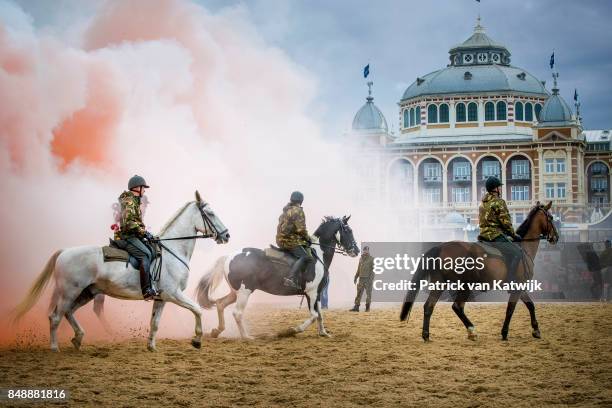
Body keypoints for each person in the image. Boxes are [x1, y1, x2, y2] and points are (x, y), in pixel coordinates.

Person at [118, 175, 159, 300]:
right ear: (137, 188)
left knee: (152, 250)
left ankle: (152, 284)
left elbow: (136, 222)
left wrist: (146, 234)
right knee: (145, 254)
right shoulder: (129, 201)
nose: (144, 190)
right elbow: (129, 223)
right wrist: (144, 233)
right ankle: (146, 290)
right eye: (143, 188)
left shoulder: (134, 201)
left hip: (134, 235)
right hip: (127, 237)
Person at [478, 176, 523, 281]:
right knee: (517, 253)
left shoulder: (482, 203)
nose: (501, 189)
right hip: (495, 236)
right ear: (495, 189)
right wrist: (513, 235)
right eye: (499, 187)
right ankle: (511, 280)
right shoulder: (499, 202)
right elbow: (506, 222)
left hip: (483, 236)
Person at [276, 191, 314, 289]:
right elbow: (301, 229)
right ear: (301, 201)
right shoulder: (298, 211)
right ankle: (291, 278)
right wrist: (308, 238)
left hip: (280, 240)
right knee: (306, 257)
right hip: (290, 241)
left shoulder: (285, 211)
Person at [349, 246, 375, 312]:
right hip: (361, 278)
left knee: (368, 294)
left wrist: (371, 279)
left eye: (366, 250)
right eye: (364, 250)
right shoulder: (361, 259)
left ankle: (367, 307)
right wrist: (355, 277)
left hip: (368, 279)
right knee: (359, 293)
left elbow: (373, 270)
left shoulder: (372, 259)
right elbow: (358, 269)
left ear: (368, 251)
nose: (365, 251)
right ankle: (356, 307)